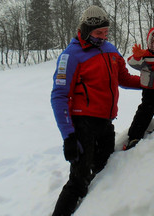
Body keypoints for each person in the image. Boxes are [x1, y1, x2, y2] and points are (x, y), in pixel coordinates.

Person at [50, 5, 140, 216]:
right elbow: (59, 96)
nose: (103, 37)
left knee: (105, 171)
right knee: (78, 180)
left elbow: (124, 78)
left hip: (105, 123)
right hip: (83, 125)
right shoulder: (71, 56)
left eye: (106, 32)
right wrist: (68, 136)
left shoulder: (110, 50)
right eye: (98, 33)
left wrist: (150, 82)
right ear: (86, 30)